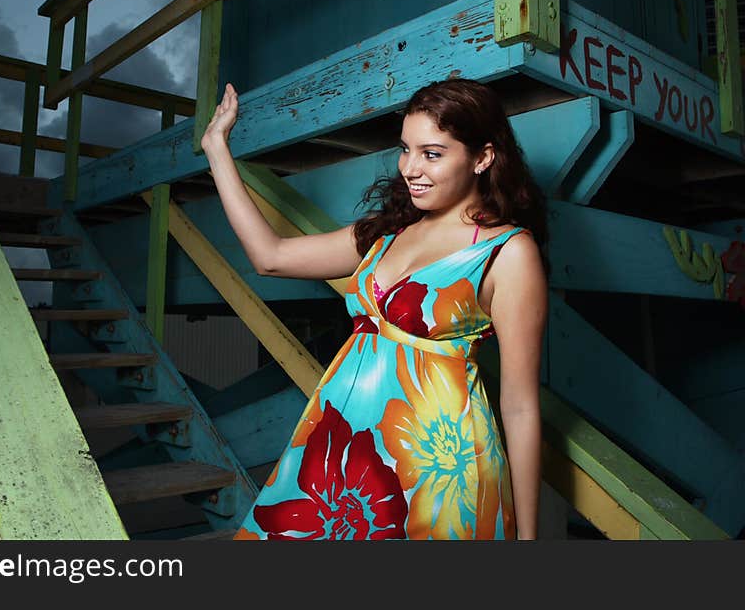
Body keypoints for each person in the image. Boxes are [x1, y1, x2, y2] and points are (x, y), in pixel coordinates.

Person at [200, 78, 548, 540]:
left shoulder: (508, 252)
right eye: (406, 149)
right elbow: (271, 257)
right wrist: (217, 149)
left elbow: (521, 405)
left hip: (439, 471)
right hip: (343, 453)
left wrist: (528, 536)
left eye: (432, 153)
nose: (410, 168)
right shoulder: (387, 233)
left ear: (482, 158)